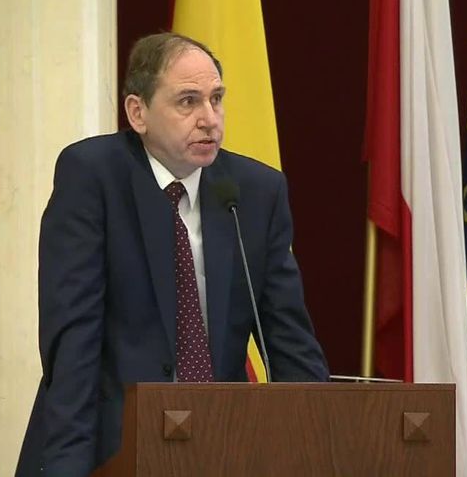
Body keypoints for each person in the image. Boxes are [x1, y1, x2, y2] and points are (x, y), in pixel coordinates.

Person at [16, 33, 329, 476]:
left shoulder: (255, 192)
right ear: (137, 113)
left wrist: (321, 449)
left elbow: (289, 342)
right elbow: (73, 344)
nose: (209, 119)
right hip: (110, 446)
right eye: (188, 102)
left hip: (220, 448)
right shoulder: (94, 177)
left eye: (216, 99)